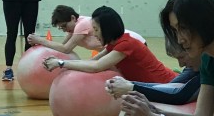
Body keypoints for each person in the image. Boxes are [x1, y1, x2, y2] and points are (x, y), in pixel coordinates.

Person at [41, 6, 174, 84]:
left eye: (96, 30)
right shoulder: (112, 45)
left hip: (167, 84)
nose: (94, 34)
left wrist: (60, 63)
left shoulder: (126, 44)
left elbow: (97, 66)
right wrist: (63, 65)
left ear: (107, 29)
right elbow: (92, 61)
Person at [105, 36, 202, 105]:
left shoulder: (126, 43)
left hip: (163, 80)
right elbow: (171, 87)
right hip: (165, 83)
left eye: (182, 57)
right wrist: (128, 85)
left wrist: (131, 87)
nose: (181, 64)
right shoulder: (115, 44)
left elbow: (178, 95)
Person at [29, 5, 147, 55]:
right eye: (61, 28)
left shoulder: (81, 24)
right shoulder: (73, 28)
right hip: (118, 47)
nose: (64, 30)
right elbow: (61, 47)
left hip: (133, 41)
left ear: (73, 18)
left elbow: (66, 49)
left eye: (64, 26)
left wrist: (40, 40)